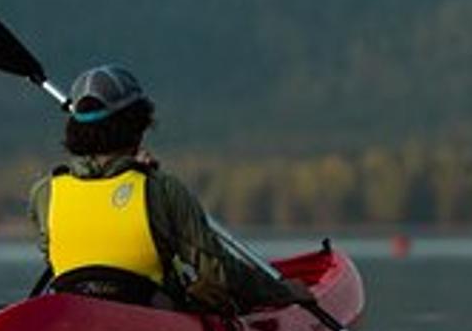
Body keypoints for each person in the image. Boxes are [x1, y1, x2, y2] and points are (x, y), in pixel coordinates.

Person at [28, 64, 312, 313]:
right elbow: (219, 271)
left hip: (73, 317)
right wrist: (284, 292)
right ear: (139, 127)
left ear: (75, 129)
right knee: (209, 291)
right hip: (150, 321)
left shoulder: (45, 192)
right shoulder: (162, 190)